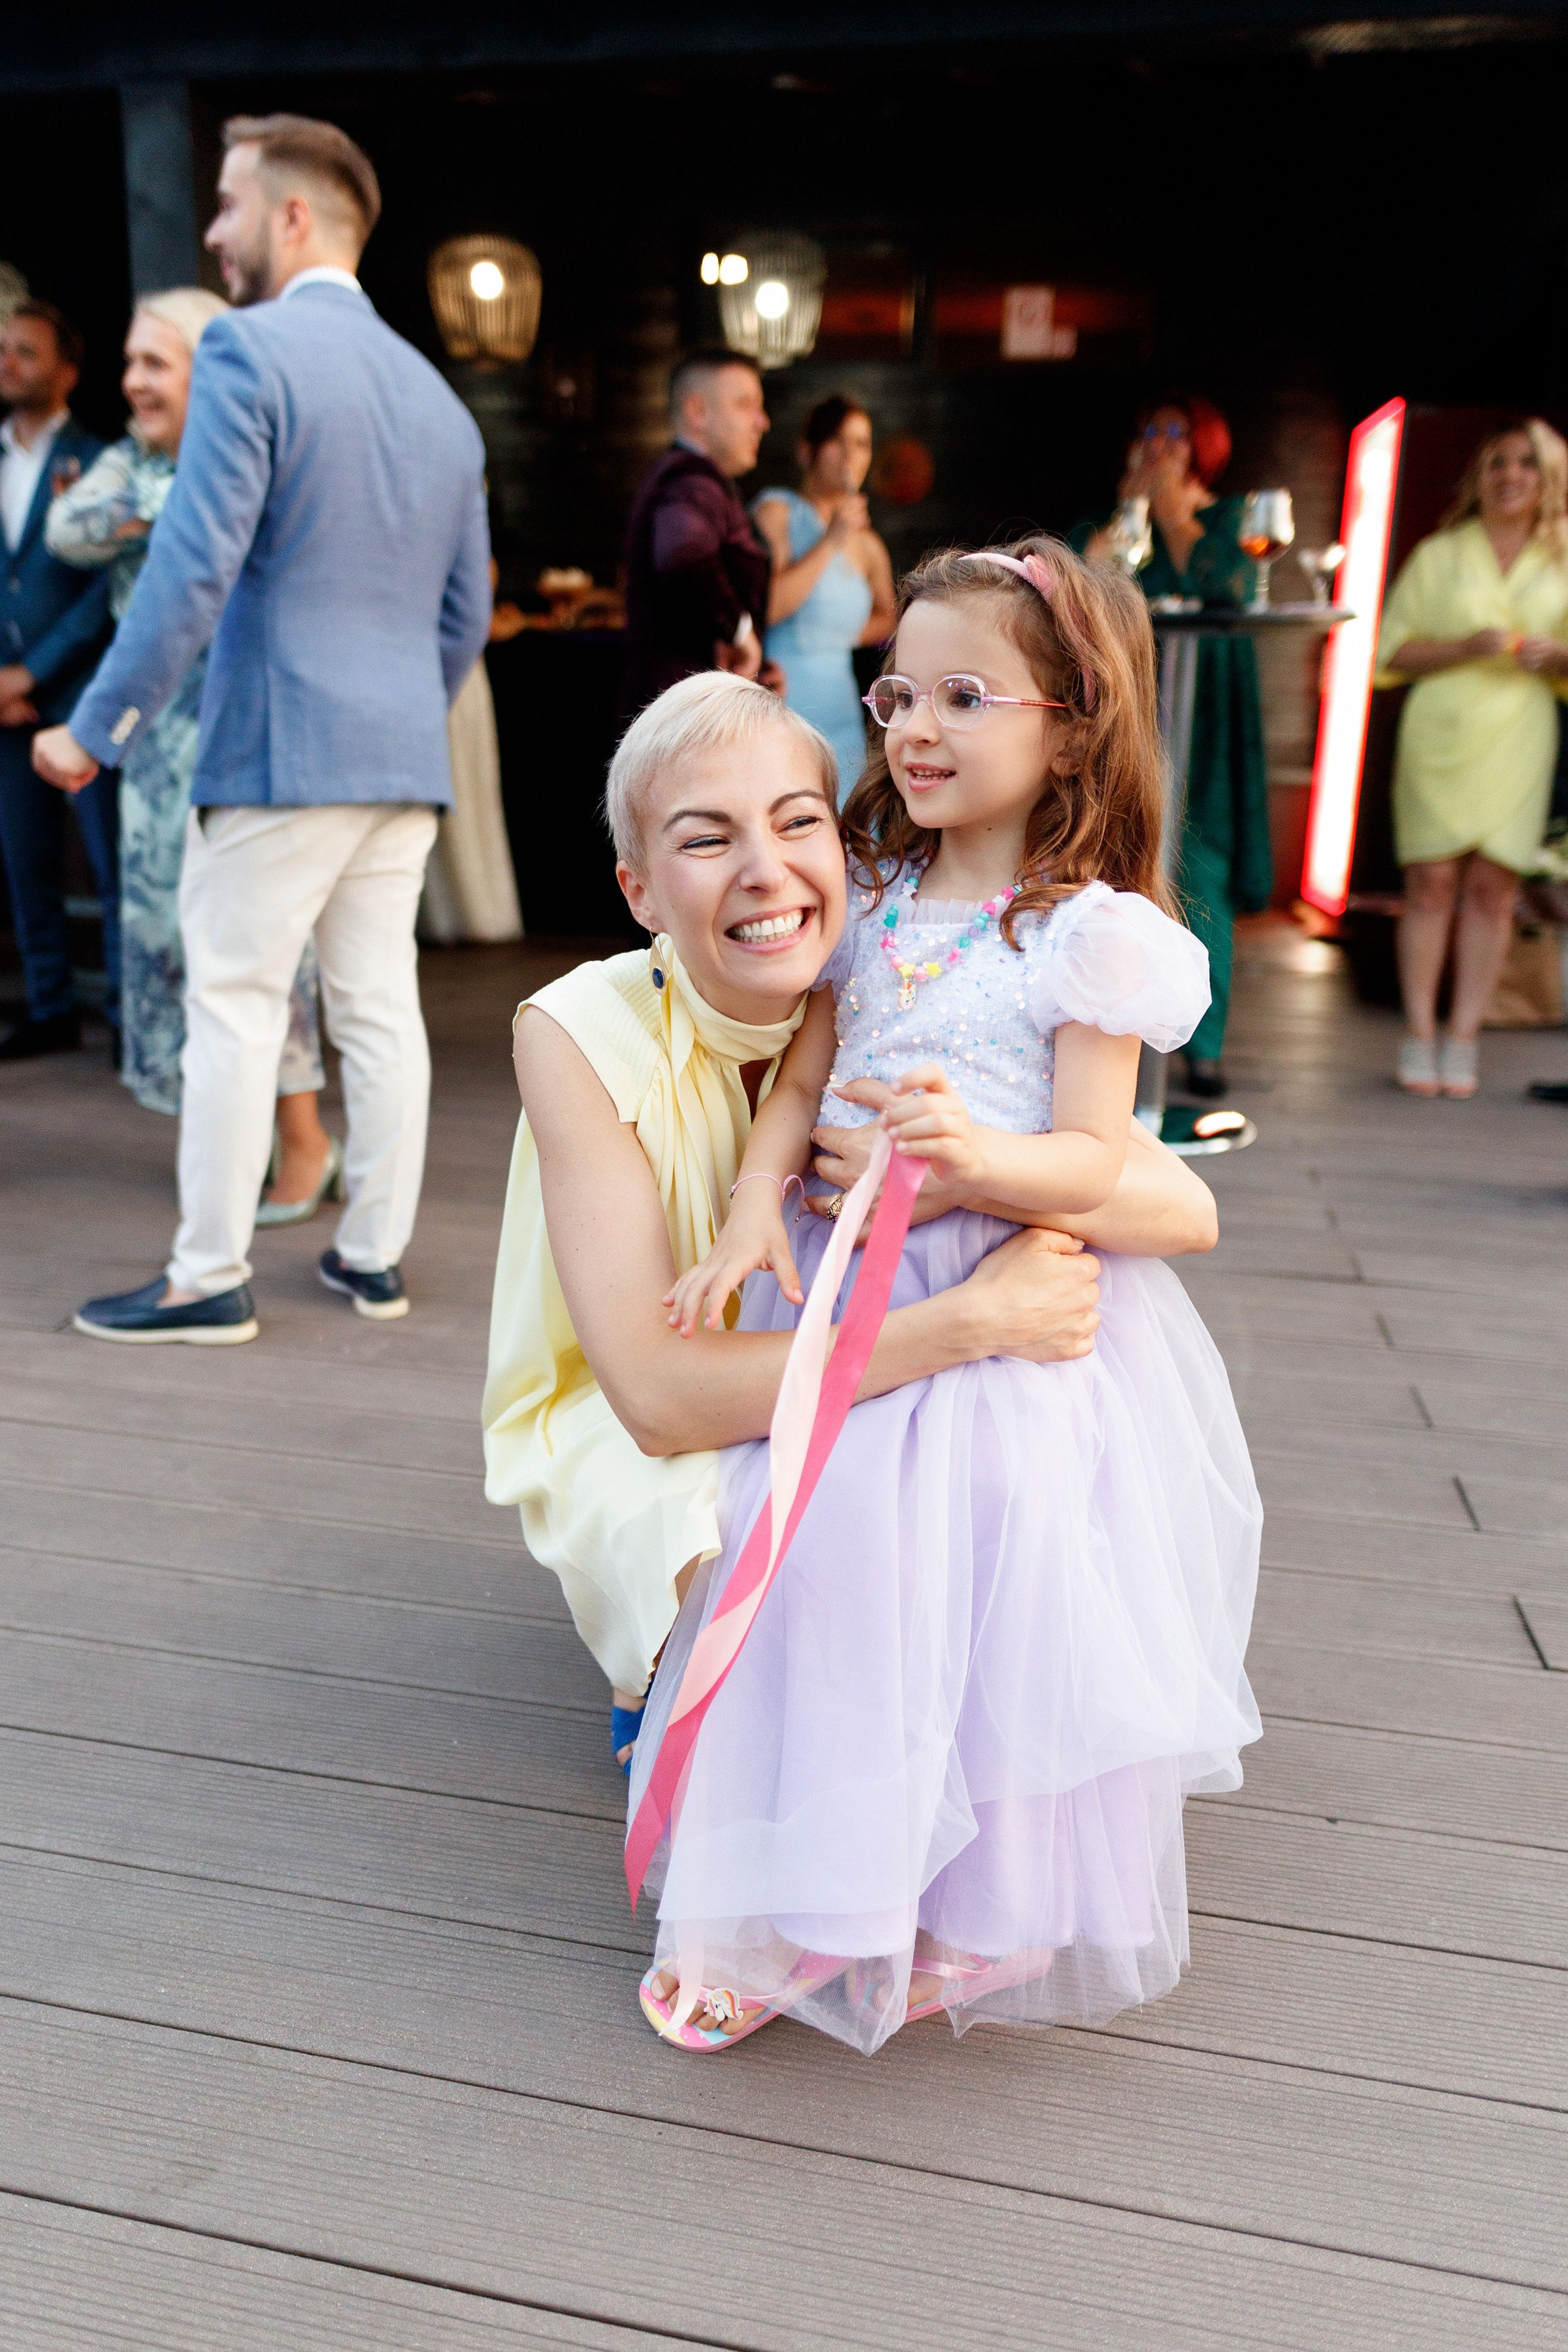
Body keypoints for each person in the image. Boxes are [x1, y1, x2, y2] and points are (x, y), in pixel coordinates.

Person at [632, 540, 1262, 2054]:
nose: (912, 725)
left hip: (997, 1302)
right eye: (894, 689)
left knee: (980, 1614)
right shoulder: (876, 884)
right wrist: (741, 1206)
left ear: (1071, 717)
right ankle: (788, 1903)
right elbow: (804, 1067)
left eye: (963, 694)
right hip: (842, 1282)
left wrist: (969, 1156)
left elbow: (1092, 1154)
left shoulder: (1083, 933)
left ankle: (970, 1911)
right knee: (820, 1591)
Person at [482, 668, 1222, 1782]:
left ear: (847, 847)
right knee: (764, 1523)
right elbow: (658, 1398)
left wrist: (956, 1174)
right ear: (638, 892)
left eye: (797, 823)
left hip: (832, 1352)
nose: (764, 871)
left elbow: (1182, 1205)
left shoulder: (901, 987)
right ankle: (678, 1677)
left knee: (975, 1469)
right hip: (658, 1402)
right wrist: (968, 1323)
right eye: (704, 840)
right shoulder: (579, 1029)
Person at [31, 111, 490, 1343]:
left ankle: (205, 1277)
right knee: (377, 1006)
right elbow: (469, 612)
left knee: (231, 1002)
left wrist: (95, 727)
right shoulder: (440, 401)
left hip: (284, 750)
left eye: (229, 206)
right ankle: (372, 1259)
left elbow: (191, 563)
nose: (217, 232)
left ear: (293, 216)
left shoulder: (247, 352)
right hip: (399, 757)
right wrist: (398, 714)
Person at [44, 288, 337, 1215]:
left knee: (256, 944)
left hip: (233, 729)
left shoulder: (247, 456)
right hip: (152, 745)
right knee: (169, 938)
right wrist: (163, 496)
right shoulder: (137, 463)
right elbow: (66, 529)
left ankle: (304, 1140)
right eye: (129, 362)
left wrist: (156, 503)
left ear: (207, 373)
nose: (134, 381)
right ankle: (229, 1137)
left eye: (155, 362)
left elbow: (202, 539)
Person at [1074, 395, 1271, 1098]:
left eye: (1175, 435)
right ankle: (1115, 1033)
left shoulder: (1226, 518)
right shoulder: (1112, 516)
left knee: (1201, 867)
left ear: (1204, 447)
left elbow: (1231, 583)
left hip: (1205, 710)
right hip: (1127, 704)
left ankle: (1203, 1045)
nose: (1159, 445)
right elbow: (1072, 585)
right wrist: (1128, 515)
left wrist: (1172, 514)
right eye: (1149, 430)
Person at [1374, 419, 1568, 1100]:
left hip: (1521, 732)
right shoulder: (1439, 554)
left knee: (1494, 889)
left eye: (1526, 464)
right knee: (1429, 882)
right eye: (1497, 464)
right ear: (1479, 479)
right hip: (1442, 732)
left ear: (1548, 480)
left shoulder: (1563, 559)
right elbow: (1389, 653)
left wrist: (1557, 655)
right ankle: (1419, 1032)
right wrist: (1463, 647)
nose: (1510, 475)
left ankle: (1464, 1036)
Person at [0, 301, 114, 1060]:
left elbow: (106, 590)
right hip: (1, 704)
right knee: (24, 858)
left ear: (66, 370)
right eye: (3, 351)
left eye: (26, 352)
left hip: (79, 693)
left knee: (110, 859)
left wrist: (32, 673)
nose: (9, 363)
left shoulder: (100, 460)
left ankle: (129, 1014)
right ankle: (49, 1007)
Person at [618, 349, 776, 724]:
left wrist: (758, 669)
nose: (762, 422)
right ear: (697, 412)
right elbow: (684, 556)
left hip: (685, 706)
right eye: (745, 405)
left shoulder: (691, 479)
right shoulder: (691, 482)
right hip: (682, 716)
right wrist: (740, 633)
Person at [753, 395, 894, 800]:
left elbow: (890, 615)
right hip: (783, 700)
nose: (852, 455)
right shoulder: (777, 511)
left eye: (863, 443)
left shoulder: (868, 544)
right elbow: (769, 605)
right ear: (807, 450)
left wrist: (841, 633)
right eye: (838, 440)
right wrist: (831, 540)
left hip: (842, 708)